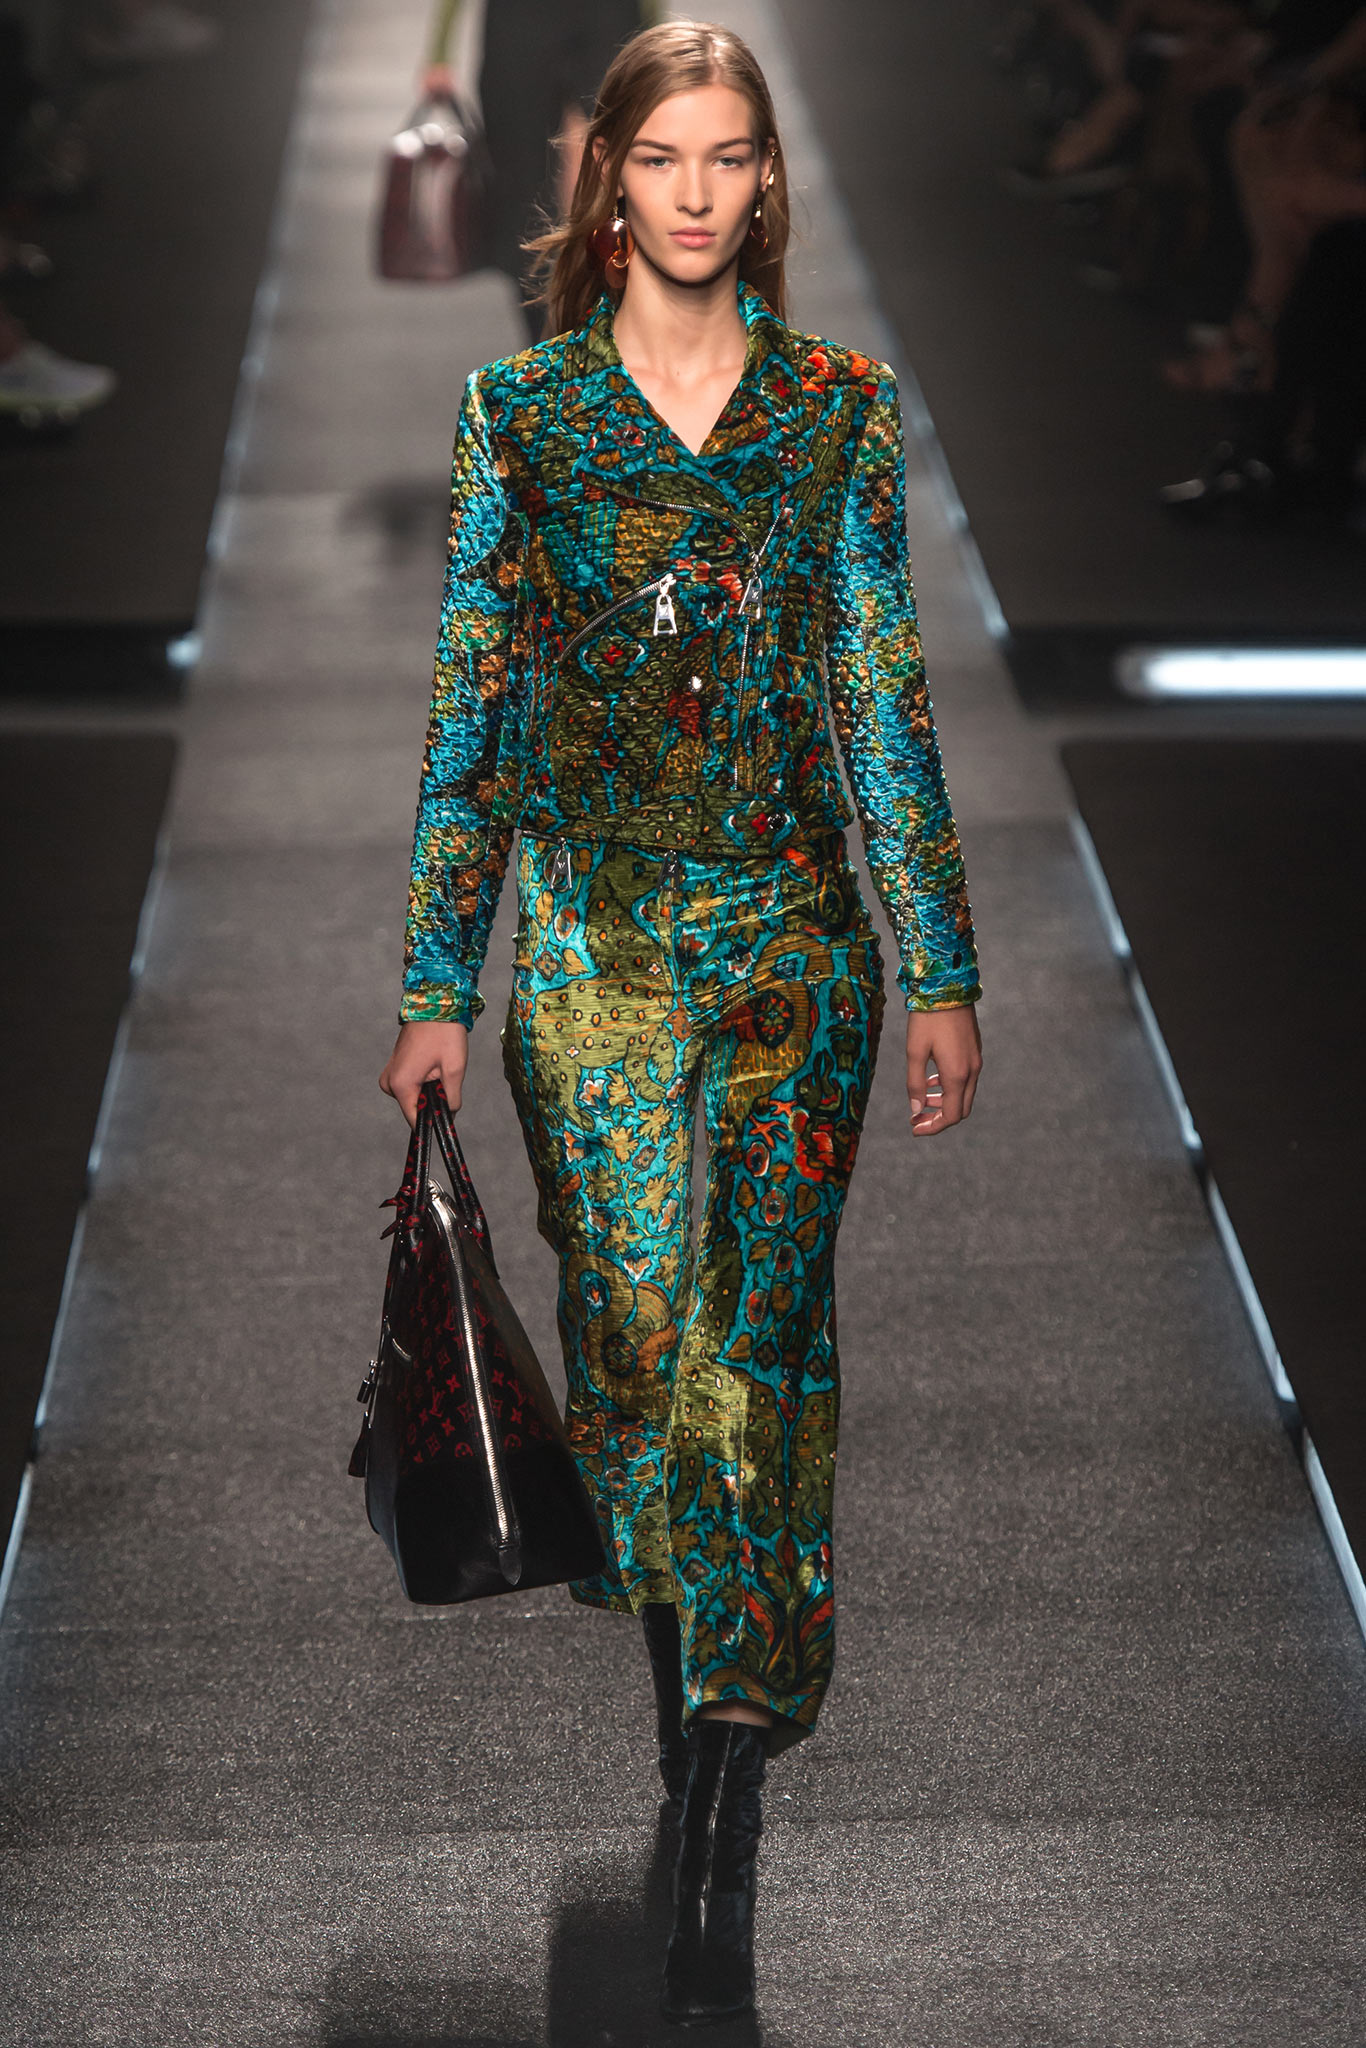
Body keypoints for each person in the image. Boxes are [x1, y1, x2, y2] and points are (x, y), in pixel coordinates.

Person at [379, 18, 982, 2026]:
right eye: (663, 159)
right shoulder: (523, 417)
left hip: (796, 939)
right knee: (637, 1346)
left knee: (760, 1345)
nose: (699, 193)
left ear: (765, 180)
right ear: (608, 184)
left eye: (730, 157)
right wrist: (433, 982)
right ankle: (695, 1692)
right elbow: (470, 707)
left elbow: (879, 689)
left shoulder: (835, 412)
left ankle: (729, 1762)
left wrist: (943, 962)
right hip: (590, 949)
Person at [421, 0, 661, 340]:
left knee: (619, 167)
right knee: (524, 190)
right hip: (522, 19)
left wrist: (659, 42)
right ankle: (547, 337)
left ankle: (609, 321)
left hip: (603, 15)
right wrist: (440, 50)